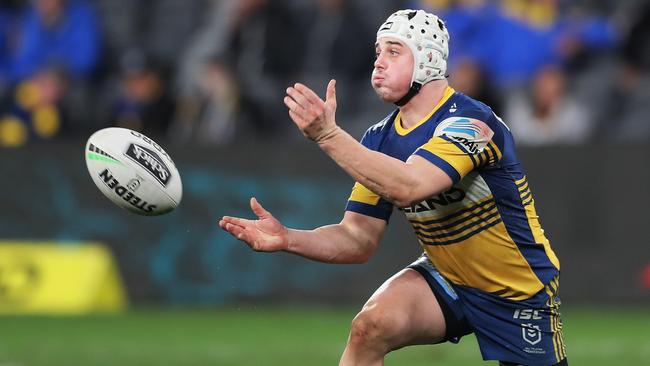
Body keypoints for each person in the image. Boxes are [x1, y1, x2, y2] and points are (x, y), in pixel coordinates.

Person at [219, 9, 567, 366]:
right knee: (370, 327)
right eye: (377, 52)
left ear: (429, 59)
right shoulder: (379, 138)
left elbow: (410, 185)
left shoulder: (472, 122)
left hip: (517, 291)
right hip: (448, 279)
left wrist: (328, 135)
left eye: (393, 51)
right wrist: (287, 238)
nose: (379, 63)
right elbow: (358, 239)